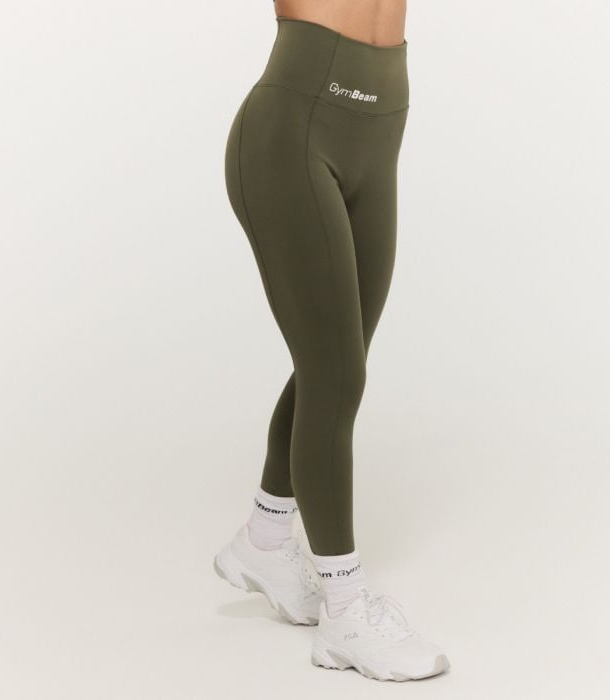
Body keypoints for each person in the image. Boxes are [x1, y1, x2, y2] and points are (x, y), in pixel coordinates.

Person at [214, 0, 450, 681]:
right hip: (295, 125)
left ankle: (264, 537)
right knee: (336, 371)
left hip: (381, 121)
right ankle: (345, 612)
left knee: (338, 359)